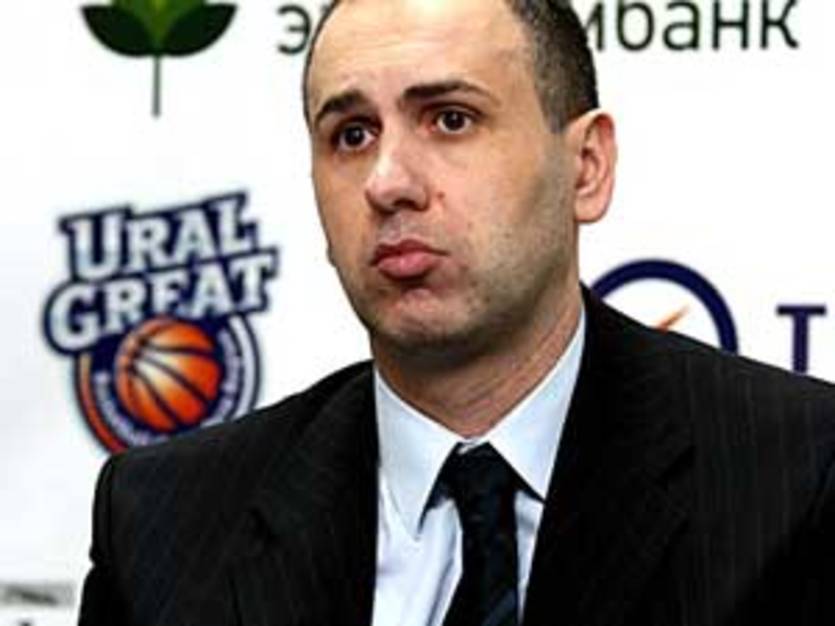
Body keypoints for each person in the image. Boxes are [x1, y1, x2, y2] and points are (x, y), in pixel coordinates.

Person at [78, 0, 835, 625]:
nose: (387, 182)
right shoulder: (162, 524)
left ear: (586, 167)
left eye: (449, 119)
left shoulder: (797, 478)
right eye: (351, 135)